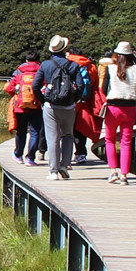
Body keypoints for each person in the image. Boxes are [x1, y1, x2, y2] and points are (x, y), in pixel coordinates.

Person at [34, 36, 88, 180]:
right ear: (65, 49)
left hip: (51, 106)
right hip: (69, 106)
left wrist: (43, 100)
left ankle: (53, 171)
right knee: (68, 135)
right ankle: (64, 165)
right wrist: (74, 100)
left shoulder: (45, 65)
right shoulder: (73, 65)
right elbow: (81, 86)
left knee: (52, 138)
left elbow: (35, 86)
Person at [95, 42, 136, 184]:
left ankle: (113, 172)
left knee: (110, 140)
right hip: (130, 108)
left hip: (113, 108)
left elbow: (104, 89)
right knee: (126, 142)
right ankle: (124, 175)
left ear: (117, 54)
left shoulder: (110, 68)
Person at [6, 51, 46, 164]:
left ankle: (18, 155)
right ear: (38, 60)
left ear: (26, 60)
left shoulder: (19, 71)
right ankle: (30, 157)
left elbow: (10, 88)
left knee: (21, 132)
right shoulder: (41, 71)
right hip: (36, 106)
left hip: (20, 107)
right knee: (35, 132)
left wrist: (16, 94)